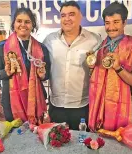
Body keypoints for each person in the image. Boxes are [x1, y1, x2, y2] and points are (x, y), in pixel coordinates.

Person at [43, 1, 101, 130]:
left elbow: (101, 72)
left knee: (81, 145)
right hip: (56, 105)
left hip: (82, 106)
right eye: (63, 15)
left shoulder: (94, 40)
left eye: (71, 14)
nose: (67, 19)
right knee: (56, 144)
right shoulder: (49, 40)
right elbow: (42, 69)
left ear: (80, 16)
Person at [88, 2, 132, 132]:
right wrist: (91, 69)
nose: (111, 27)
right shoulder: (98, 47)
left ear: (124, 22)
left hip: (120, 110)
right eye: (107, 22)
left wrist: (118, 67)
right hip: (98, 109)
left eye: (116, 22)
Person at [0, 8, 51, 125]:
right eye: (19, 21)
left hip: (36, 100)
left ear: (33, 25)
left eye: (27, 22)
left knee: (36, 136)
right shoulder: (2, 47)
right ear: (14, 23)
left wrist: (43, 74)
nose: (23, 25)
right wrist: (7, 73)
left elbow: (47, 74)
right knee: (15, 137)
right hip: (11, 101)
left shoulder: (41, 48)